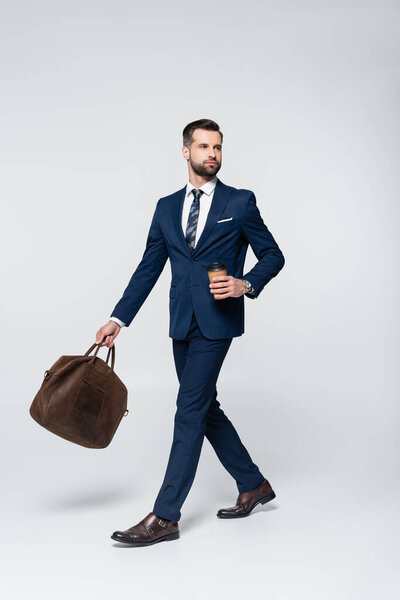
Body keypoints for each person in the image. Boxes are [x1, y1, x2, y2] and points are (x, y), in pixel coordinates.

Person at [95, 118, 285, 547]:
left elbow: (273, 254)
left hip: (217, 322)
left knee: (188, 409)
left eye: (217, 147)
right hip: (181, 321)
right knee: (204, 407)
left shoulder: (239, 202)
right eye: (203, 147)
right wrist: (118, 320)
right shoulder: (165, 207)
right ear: (186, 152)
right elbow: (148, 269)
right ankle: (253, 484)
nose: (212, 154)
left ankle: (165, 517)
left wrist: (245, 283)